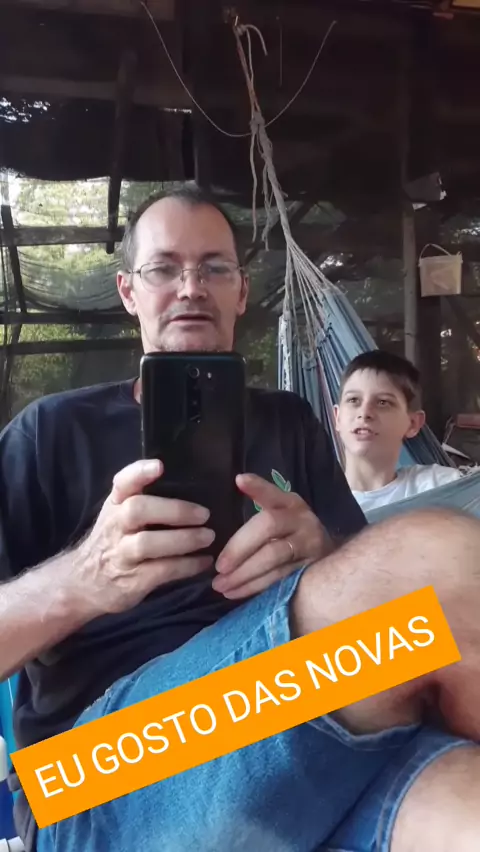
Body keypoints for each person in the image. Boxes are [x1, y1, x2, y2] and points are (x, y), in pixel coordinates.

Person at [3, 186, 480, 852]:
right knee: (443, 560)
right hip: (95, 773)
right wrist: (84, 579)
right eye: (164, 268)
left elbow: (376, 601)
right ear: (128, 292)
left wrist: (322, 553)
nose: (191, 287)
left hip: (303, 722)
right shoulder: (51, 433)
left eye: (214, 267)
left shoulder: (289, 422)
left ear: (242, 292)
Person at [334, 350, 462, 512]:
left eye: (383, 402)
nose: (364, 413)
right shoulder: (313, 505)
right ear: (337, 418)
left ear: (413, 424)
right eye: (353, 400)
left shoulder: (439, 485)